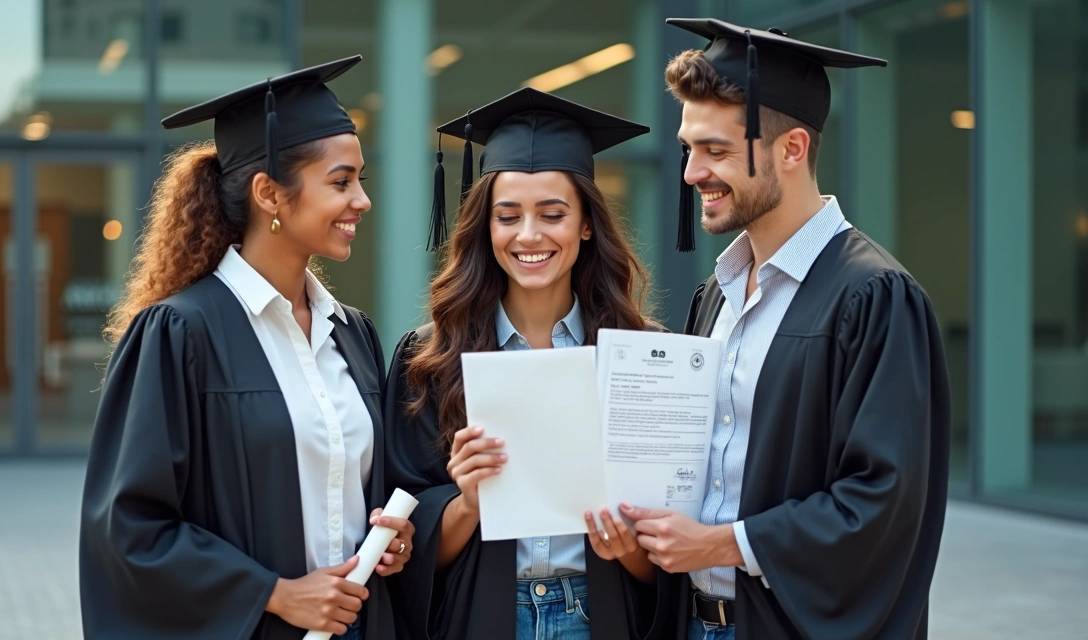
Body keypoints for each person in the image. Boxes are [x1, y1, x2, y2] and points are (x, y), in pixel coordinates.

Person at [618, 19, 952, 640]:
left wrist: (719, 545)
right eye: (688, 148)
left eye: (715, 151)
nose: (692, 173)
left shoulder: (873, 297)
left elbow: (882, 504)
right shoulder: (715, 294)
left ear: (792, 149)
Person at [78, 55, 414, 640]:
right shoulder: (181, 333)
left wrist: (391, 541)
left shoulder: (350, 332)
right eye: (341, 182)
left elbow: (361, 491)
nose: (362, 200)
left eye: (360, 179)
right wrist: (275, 595)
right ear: (270, 194)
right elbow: (129, 530)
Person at [384, 87, 674, 640]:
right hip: (481, 617)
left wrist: (628, 548)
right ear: (486, 228)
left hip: (599, 613)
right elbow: (407, 548)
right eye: (508, 216)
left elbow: (665, 553)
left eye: (553, 214)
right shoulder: (432, 358)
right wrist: (468, 502)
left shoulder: (640, 357)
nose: (529, 235)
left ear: (586, 224)